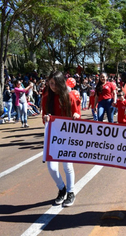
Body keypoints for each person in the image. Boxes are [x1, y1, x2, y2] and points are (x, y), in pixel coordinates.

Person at [42, 71, 81, 207]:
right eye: (50, 83)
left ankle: (71, 192)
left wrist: (76, 116)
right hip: (53, 137)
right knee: (52, 167)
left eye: (54, 83)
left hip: (68, 137)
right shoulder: (46, 98)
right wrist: (46, 118)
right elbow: (44, 118)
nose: (52, 86)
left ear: (61, 83)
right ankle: (61, 188)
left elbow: (77, 114)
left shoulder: (69, 97)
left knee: (67, 166)